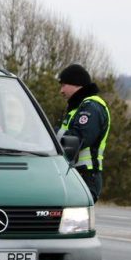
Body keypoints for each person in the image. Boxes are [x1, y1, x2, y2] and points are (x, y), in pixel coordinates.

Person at [56, 64, 111, 201]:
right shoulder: (78, 108)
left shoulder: (91, 107)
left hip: (86, 175)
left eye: (63, 85)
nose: (60, 91)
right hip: (76, 174)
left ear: (76, 84)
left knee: (77, 221)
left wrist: (48, 133)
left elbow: (78, 139)